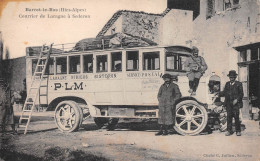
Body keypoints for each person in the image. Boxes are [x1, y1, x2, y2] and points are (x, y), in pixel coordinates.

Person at [218, 70, 244, 136]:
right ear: (229, 77)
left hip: (236, 104)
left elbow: (241, 94)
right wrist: (218, 93)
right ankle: (229, 131)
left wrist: (237, 100)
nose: (231, 79)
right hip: (228, 104)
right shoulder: (227, 84)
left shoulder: (239, 84)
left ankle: (238, 131)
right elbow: (224, 92)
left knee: (236, 117)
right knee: (229, 117)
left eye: (233, 77)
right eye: (230, 77)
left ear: (235, 77)